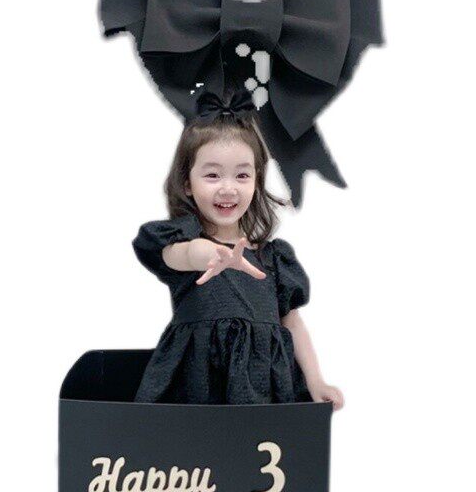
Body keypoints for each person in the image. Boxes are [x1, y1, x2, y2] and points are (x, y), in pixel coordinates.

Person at [133, 91, 344, 408]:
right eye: (212, 175)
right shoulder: (181, 241)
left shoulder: (273, 258)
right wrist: (209, 255)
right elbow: (182, 255)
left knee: (259, 438)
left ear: (256, 181)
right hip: (200, 389)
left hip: (263, 389)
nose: (228, 188)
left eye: (242, 175)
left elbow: (292, 323)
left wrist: (316, 381)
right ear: (187, 182)